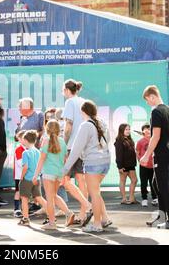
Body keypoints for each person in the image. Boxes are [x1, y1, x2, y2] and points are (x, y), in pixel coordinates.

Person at [64, 100, 112, 233]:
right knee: (96, 192)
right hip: (105, 162)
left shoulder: (85, 125)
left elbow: (76, 150)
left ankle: (97, 224)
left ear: (83, 112)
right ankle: (104, 219)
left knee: (94, 194)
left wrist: (65, 169)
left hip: (93, 163)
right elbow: (108, 141)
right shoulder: (101, 123)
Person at [140, 85, 169, 230]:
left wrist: (146, 155)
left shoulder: (156, 111)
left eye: (147, 100)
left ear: (152, 96)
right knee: (157, 184)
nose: (147, 103)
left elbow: (155, 136)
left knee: (163, 186)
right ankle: (162, 218)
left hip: (162, 154)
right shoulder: (168, 110)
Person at [33, 120, 74, 230]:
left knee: (50, 198)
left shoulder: (46, 141)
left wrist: (35, 175)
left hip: (48, 173)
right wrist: (65, 175)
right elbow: (66, 160)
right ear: (58, 130)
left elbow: (41, 160)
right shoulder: (62, 141)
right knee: (54, 196)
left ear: (47, 129)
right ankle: (68, 213)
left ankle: (52, 223)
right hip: (59, 174)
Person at [61, 79, 91, 224]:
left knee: (65, 181)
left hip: (71, 147)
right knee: (81, 181)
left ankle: (86, 207)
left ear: (67, 90)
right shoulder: (83, 101)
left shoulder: (70, 102)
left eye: (63, 90)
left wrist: (63, 144)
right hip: (84, 146)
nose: (63, 93)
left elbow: (68, 126)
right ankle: (83, 214)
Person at [17, 130, 47, 227]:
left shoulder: (26, 153)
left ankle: (25, 219)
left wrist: (21, 177)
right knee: (39, 198)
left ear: (25, 140)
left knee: (24, 199)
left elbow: (25, 167)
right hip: (36, 178)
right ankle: (51, 214)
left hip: (27, 179)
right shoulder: (38, 152)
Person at [115, 124, 138, 204]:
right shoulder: (119, 141)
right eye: (126, 129)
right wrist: (120, 166)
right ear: (122, 131)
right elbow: (118, 155)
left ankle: (131, 198)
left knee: (134, 180)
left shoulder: (129, 140)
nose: (128, 131)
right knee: (123, 181)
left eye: (129, 129)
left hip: (131, 164)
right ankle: (124, 199)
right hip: (123, 165)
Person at [136, 124, 158, 207]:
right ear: (143, 132)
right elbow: (137, 152)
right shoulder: (140, 142)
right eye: (146, 129)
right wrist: (140, 161)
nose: (148, 131)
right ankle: (144, 199)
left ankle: (155, 198)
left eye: (149, 129)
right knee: (143, 183)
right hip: (143, 166)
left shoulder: (155, 140)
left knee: (153, 183)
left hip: (153, 166)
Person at [13, 131, 25, 218]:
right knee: (18, 191)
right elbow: (20, 163)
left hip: (26, 175)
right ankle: (16, 209)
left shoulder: (28, 149)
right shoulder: (19, 149)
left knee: (26, 193)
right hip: (19, 175)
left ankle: (24, 208)